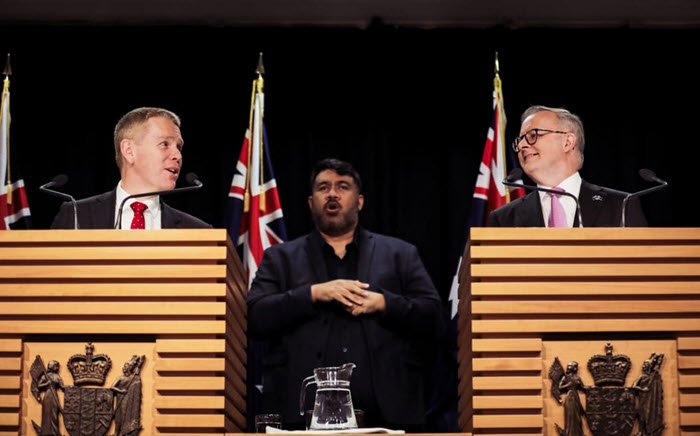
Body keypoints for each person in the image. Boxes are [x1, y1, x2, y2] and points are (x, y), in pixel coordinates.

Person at [246, 158, 446, 431]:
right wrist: (313, 294)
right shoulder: (280, 258)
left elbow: (434, 318)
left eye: (342, 187)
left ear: (360, 201)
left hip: (389, 416)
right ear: (310, 201)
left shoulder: (400, 254)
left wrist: (385, 303)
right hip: (298, 419)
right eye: (323, 187)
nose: (332, 193)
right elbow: (254, 318)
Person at [51, 107, 210, 229]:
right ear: (129, 150)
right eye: (164, 144)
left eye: (179, 147)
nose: (178, 156)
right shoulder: (75, 216)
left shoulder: (197, 230)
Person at [488, 105, 647, 227]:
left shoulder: (622, 204)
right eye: (520, 140)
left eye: (532, 136)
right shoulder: (504, 218)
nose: (522, 145)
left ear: (568, 142)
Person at [36, 360, 64, 436]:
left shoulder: (57, 376)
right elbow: (39, 385)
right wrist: (46, 383)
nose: (58, 368)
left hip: (54, 395)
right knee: (47, 413)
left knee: (54, 413)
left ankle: (55, 432)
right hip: (48, 395)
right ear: (53, 367)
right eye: (56, 366)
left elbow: (62, 387)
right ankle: (45, 432)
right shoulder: (45, 376)